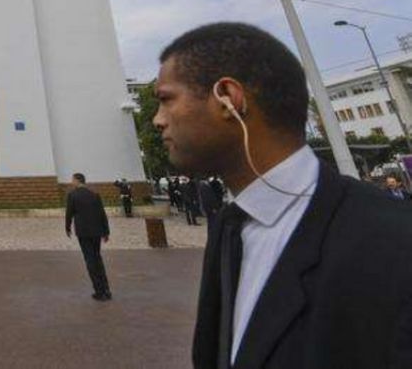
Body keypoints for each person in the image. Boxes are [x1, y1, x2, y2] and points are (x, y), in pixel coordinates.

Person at [153, 22, 412, 368]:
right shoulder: (230, 227)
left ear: (228, 98)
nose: (158, 120)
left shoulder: (395, 242)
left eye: (167, 100)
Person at [65, 173, 112, 301]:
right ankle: (106, 289)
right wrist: (106, 232)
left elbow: (69, 213)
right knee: (98, 258)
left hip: (83, 232)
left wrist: (67, 228)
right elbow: (102, 214)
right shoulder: (94, 195)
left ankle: (99, 291)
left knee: (90, 260)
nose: (71, 182)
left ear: (76, 180)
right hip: (96, 231)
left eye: (72, 180)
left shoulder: (72, 195)